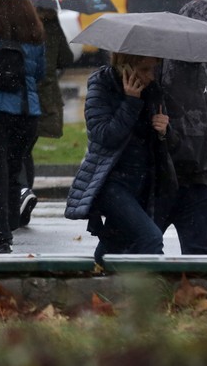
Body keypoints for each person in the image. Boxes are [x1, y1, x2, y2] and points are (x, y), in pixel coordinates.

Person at [65, 52, 174, 265]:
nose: (151, 76)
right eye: (144, 70)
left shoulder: (153, 90)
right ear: (126, 67)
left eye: (153, 69)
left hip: (141, 182)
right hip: (111, 183)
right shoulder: (102, 84)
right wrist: (131, 102)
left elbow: (158, 143)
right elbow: (105, 136)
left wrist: (164, 130)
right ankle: (157, 295)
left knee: (115, 245)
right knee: (150, 238)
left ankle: (97, 284)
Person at [0, 0, 46, 254]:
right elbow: (40, 72)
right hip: (28, 113)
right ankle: (12, 222)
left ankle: (1, 238)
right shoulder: (35, 32)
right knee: (14, 169)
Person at [156, 0, 207, 255]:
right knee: (142, 253)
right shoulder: (161, 62)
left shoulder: (206, 68)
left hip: (199, 183)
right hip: (162, 179)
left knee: (199, 259)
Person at [19, 5, 74, 227]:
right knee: (27, 149)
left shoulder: (18, 20)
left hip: (22, 91)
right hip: (46, 97)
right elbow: (66, 58)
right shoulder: (51, 23)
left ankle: (22, 193)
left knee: (18, 150)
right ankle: (25, 194)